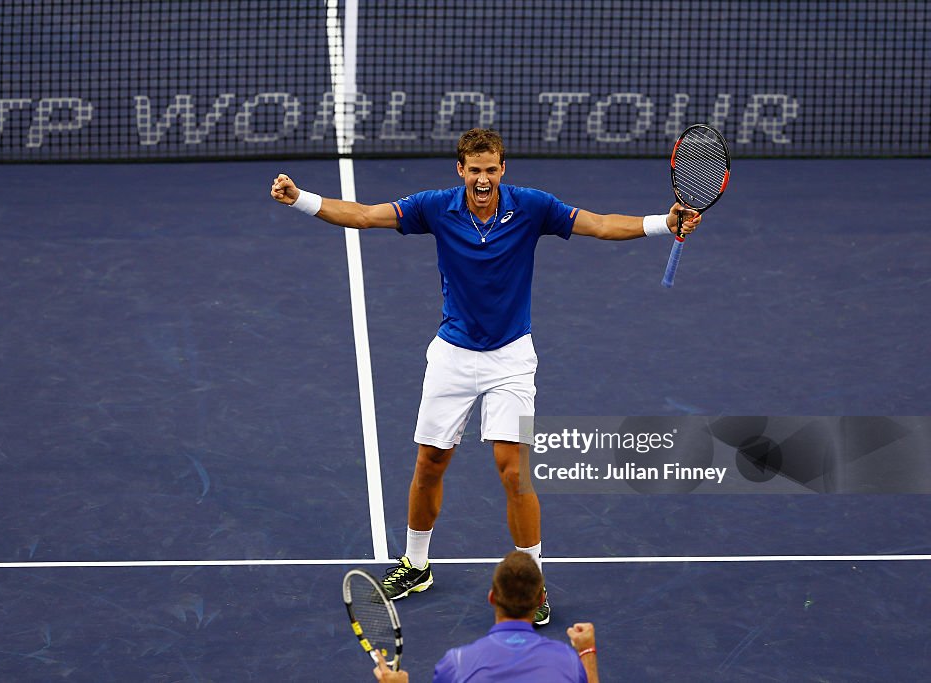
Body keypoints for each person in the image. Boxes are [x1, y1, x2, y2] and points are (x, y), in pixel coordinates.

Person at [270, 129, 700, 626]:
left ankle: (532, 583)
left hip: (511, 358)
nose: (482, 178)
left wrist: (663, 224)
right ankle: (415, 563)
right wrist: (300, 198)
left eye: (490, 169)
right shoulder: (435, 207)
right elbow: (366, 216)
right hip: (452, 356)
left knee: (514, 470)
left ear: (502, 170)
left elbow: (600, 225)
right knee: (430, 463)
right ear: (461, 171)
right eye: (474, 170)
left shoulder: (533, 207)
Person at [370, 552, 599, 682]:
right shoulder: (567, 661)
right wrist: (587, 652)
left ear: (491, 597)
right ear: (541, 602)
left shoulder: (457, 664)